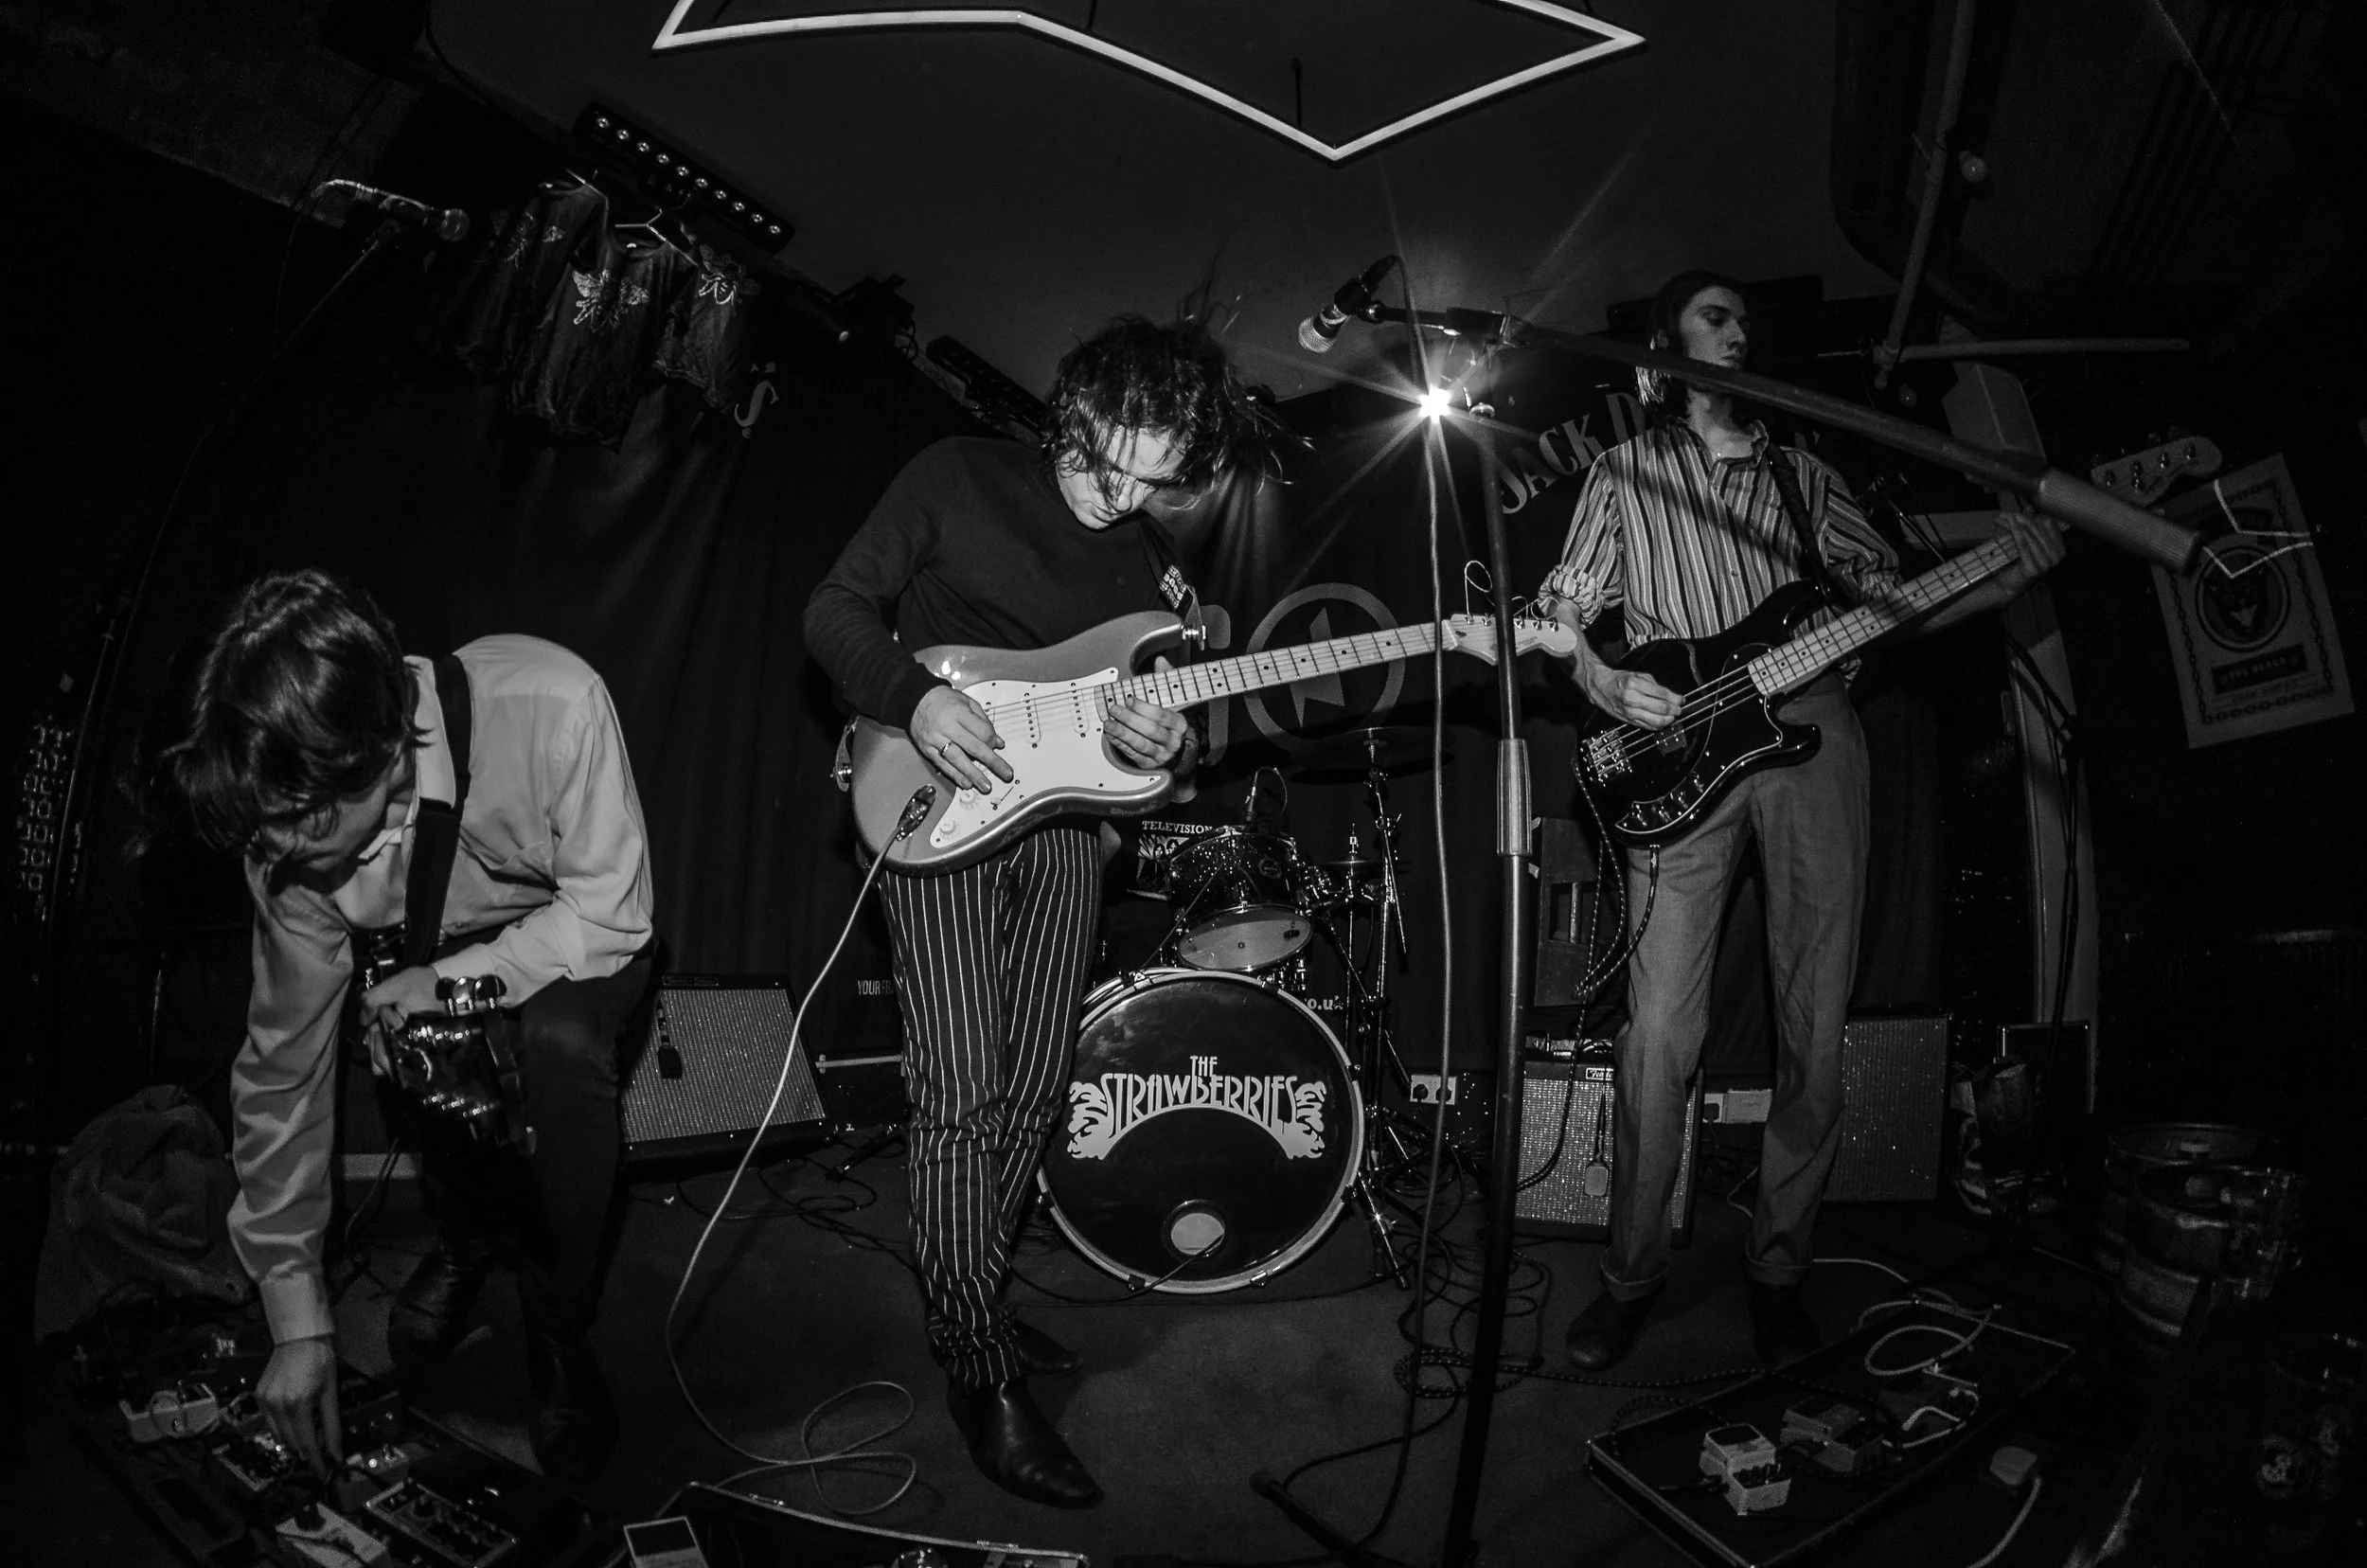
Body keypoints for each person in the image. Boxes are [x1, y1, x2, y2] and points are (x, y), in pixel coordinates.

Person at [1538, 272, 2062, 1370]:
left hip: (1816, 734)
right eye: (1713, 315)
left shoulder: (1806, 474)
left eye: (1743, 318)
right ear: (1664, 346)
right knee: (1656, 1034)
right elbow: (1560, 616)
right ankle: (1631, 1276)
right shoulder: (1623, 470)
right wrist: (1603, 681)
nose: (1737, 330)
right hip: (1679, 743)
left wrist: (1998, 577)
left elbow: (1893, 611)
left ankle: (1779, 1268)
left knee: (1812, 1025)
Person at [803, 314, 1280, 1506]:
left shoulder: (1155, 569)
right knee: (962, 1087)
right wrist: (912, 697)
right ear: (1084, 405)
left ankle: (973, 1291)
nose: (1131, 493)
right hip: (935, 806)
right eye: (1121, 458)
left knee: (1029, 1090)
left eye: (1161, 476)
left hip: (1067, 833)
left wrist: (1166, 743)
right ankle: (977, 1363)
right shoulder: (957, 476)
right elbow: (834, 609)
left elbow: (1165, 743)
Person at [151, 570, 654, 1479]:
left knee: (560, 1050)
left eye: (294, 825)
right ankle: (466, 1242)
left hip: (578, 933)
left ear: (385, 755)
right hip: (435, 944)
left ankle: (557, 1323)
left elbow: (610, 916)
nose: (275, 855)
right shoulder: (287, 846)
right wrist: (297, 1319)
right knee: (404, 1040)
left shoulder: (556, 704)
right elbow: (283, 1073)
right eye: (262, 832)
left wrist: (450, 980)